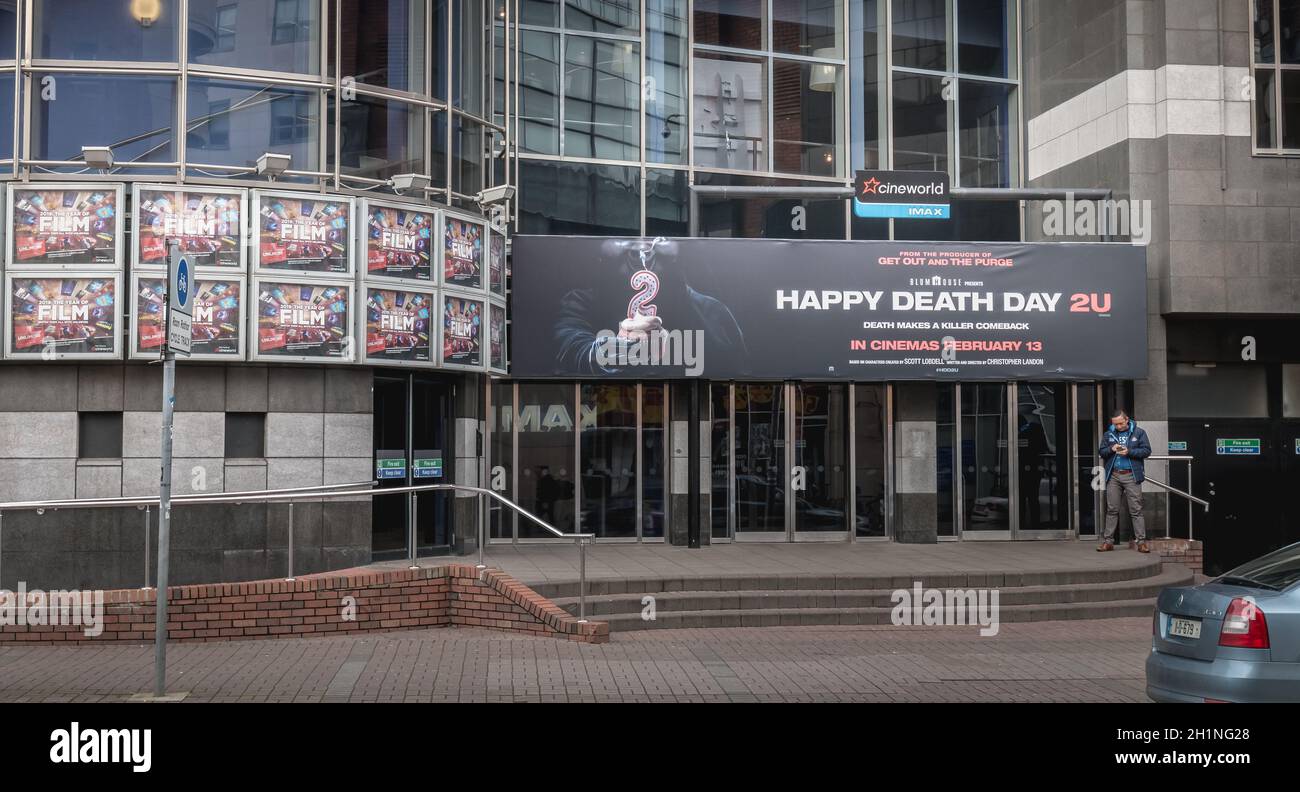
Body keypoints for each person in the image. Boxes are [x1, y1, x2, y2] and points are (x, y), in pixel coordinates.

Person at [1097, 408, 1152, 553]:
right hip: (1113, 475)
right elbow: (1101, 452)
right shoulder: (1109, 434)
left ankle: (1141, 542)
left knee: (1136, 509)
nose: (1118, 426)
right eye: (1116, 424)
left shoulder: (1139, 433)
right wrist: (1111, 448)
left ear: (1127, 419)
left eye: (1121, 423)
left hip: (1131, 475)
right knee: (1112, 509)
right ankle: (1108, 542)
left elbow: (1146, 451)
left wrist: (1129, 451)